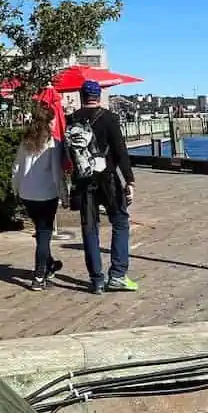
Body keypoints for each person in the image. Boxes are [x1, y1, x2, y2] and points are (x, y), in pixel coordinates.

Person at [66, 80, 138, 293]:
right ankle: (117, 274)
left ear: (81, 95)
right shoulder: (109, 118)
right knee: (120, 221)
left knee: (90, 229)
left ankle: (96, 279)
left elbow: (67, 152)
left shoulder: (71, 119)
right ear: (99, 96)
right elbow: (120, 152)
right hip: (107, 179)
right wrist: (129, 180)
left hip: (82, 180)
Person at [12, 104, 66, 291]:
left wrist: (16, 188)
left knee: (41, 232)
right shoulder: (53, 143)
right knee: (44, 235)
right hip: (46, 194)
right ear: (50, 121)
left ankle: (49, 263)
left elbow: (16, 168)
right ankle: (39, 276)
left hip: (27, 193)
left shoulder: (25, 141)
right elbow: (56, 174)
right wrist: (63, 194)